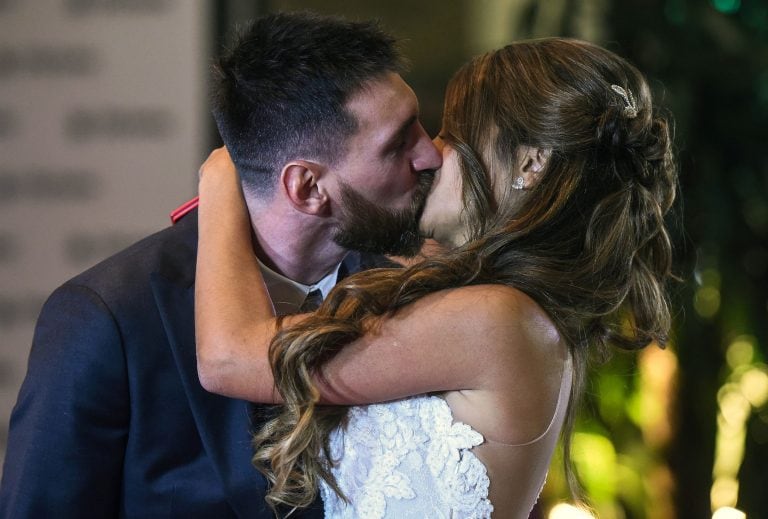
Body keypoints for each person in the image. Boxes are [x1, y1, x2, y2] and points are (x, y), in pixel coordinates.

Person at [194, 37, 678, 518]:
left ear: (530, 163)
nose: (432, 153)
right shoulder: (493, 304)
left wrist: (221, 181)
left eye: (453, 133)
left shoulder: (497, 319)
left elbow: (230, 359)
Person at [0, 12, 440, 518]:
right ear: (307, 188)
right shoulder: (109, 318)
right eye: (398, 143)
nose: (431, 155)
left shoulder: (408, 293)